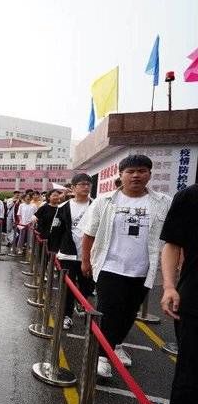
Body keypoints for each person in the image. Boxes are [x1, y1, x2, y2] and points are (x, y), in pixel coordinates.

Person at [79, 155, 171, 378]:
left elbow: (172, 238)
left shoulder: (163, 202)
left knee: (129, 313)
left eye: (142, 171)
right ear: (121, 175)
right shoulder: (105, 201)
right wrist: (85, 260)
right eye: (131, 171)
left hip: (143, 269)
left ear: (149, 174)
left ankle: (116, 344)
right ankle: (101, 357)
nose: (136, 175)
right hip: (110, 267)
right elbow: (89, 233)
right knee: (109, 312)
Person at [159, 183, 198, 404]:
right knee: (193, 371)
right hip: (196, 299)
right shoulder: (192, 196)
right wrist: (169, 286)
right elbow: (173, 244)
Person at [50, 174, 94, 330]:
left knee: (87, 285)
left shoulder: (96, 206)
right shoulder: (63, 207)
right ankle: (66, 315)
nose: (86, 187)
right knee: (67, 287)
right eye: (82, 184)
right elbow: (56, 230)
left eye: (88, 184)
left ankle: (81, 303)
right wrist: (54, 250)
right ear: (73, 187)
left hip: (89, 255)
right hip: (67, 253)